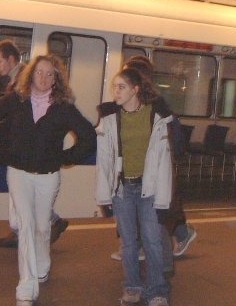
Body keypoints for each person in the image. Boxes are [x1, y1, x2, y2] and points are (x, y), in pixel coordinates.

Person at [0, 54, 96, 306]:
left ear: (57, 79)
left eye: (50, 74)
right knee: (25, 226)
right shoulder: (17, 100)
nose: (44, 78)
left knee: (40, 226)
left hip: (48, 176)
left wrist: (65, 158)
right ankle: (26, 285)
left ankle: (42, 262)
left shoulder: (64, 107)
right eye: (40, 72)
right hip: (18, 173)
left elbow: (88, 137)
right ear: (31, 74)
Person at [108, 56, 196, 271]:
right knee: (149, 219)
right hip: (133, 175)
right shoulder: (124, 107)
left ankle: (163, 270)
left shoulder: (158, 108)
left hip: (155, 174)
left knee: (159, 221)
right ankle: (145, 256)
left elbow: (176, 143)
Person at [96, 66, 175, 306]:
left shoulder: (156, 117)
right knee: (128, 243)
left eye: (121, 87)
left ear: (136, 89)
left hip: (148, 188)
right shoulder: (110, 119)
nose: (116, 92)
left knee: (152, 240)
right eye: (115, 87)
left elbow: (164, 161)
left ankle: (157, 290)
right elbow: (104, 160)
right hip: (122, 189)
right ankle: (132, 286)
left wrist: (164, 198)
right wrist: (104, 197)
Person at [0, 40, 70, 248]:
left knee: (24, 190)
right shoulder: (15, 80)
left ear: (11, 59)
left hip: (25, 147)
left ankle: (39, 227)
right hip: (21, 146)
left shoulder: (22, 81)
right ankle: (25, 229)